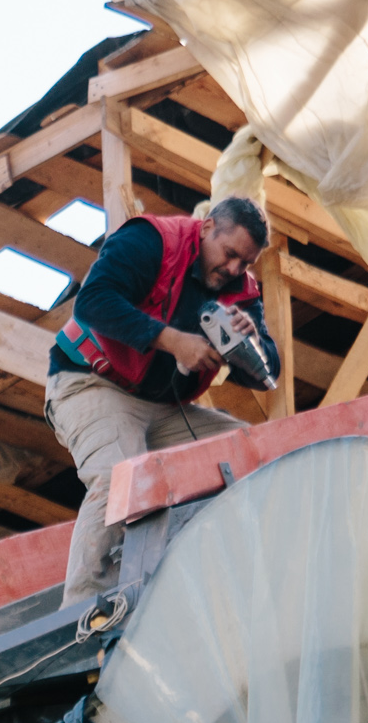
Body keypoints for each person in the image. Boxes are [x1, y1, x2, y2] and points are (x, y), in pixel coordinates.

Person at [47, 193, 276, 599]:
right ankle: (80, 617)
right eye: (229, 254)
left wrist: (251, 342)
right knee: (118, 478)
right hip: (91, 383)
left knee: (255, 455)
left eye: (246, 262)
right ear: (206, 227)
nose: (235, 268)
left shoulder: (243, 290)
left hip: (166, 409)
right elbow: (93, 302)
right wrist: (174, 342)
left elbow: (268, 374)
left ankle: (226, 587)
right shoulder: (152, 240)